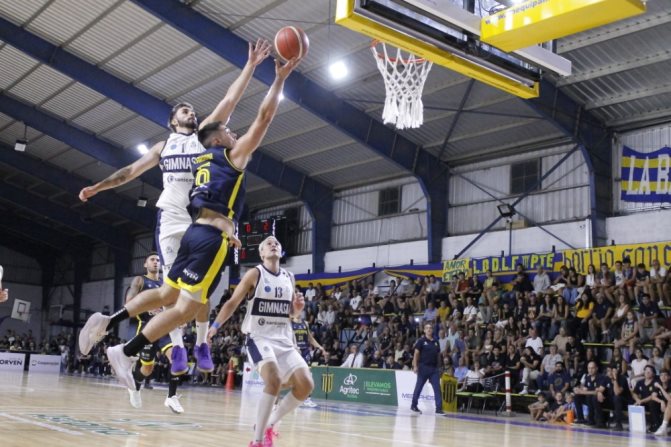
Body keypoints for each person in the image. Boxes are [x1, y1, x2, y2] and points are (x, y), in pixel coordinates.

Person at [98, 56, 302, 396]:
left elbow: (226, 107)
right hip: (207, 238)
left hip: (194, 230)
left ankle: (115, 325)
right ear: (218, 140)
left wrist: (228, 226)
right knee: (184, 309)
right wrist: (279, 79)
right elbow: (264, 117)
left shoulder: (200, 157)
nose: (233, 132)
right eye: (228, 131)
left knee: (167, 295)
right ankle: (127, 351)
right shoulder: (232, 157)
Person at [207, 236, 313, 447]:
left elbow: (290, 314)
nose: (274, 244)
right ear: (262, 253)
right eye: (268, 244)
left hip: (284, 340)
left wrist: (297, 310)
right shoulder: (255, 273)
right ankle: (257, 441)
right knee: (273, 380)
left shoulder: (289, 277)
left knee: (306, 385)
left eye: (277, 243)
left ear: (280, 252)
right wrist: (214, 327)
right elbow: (232, 303)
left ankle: (269, 424)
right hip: (259, 337)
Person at [125, 252, 184, 413]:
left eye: (158, 260)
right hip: (147, 328)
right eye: (152, 260)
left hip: (165, 327)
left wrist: (181, 317)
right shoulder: (140, 281)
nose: (156, 262)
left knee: (176, 358)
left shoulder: (166, 284)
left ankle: (171, 397)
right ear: (145, 264)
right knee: (147, 369)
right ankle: (135, 387)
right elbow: (129, 303)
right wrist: (147, 307)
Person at [410, 322, 444, 415]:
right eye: (427, 328)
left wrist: (440, 367)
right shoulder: (421, 341)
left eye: (430, 328)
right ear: (424, 330)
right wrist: (415, 366)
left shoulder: (436, 342)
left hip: (434, 369)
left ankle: (439, 409)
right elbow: (416, 354)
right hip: (423, 368)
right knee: (419, 387)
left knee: (437, 388)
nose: (429, 329)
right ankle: (413, 405)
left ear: (432, 330)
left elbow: (438, 356)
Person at [292, 314, 324, 408]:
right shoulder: (290, 323)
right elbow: (288, 338)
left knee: (308, 374)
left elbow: (310, 338)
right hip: (295, 351)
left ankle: (307, 399)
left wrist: (319, 346)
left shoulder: (305, 323)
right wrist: (294, 347)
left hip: (305, 351)